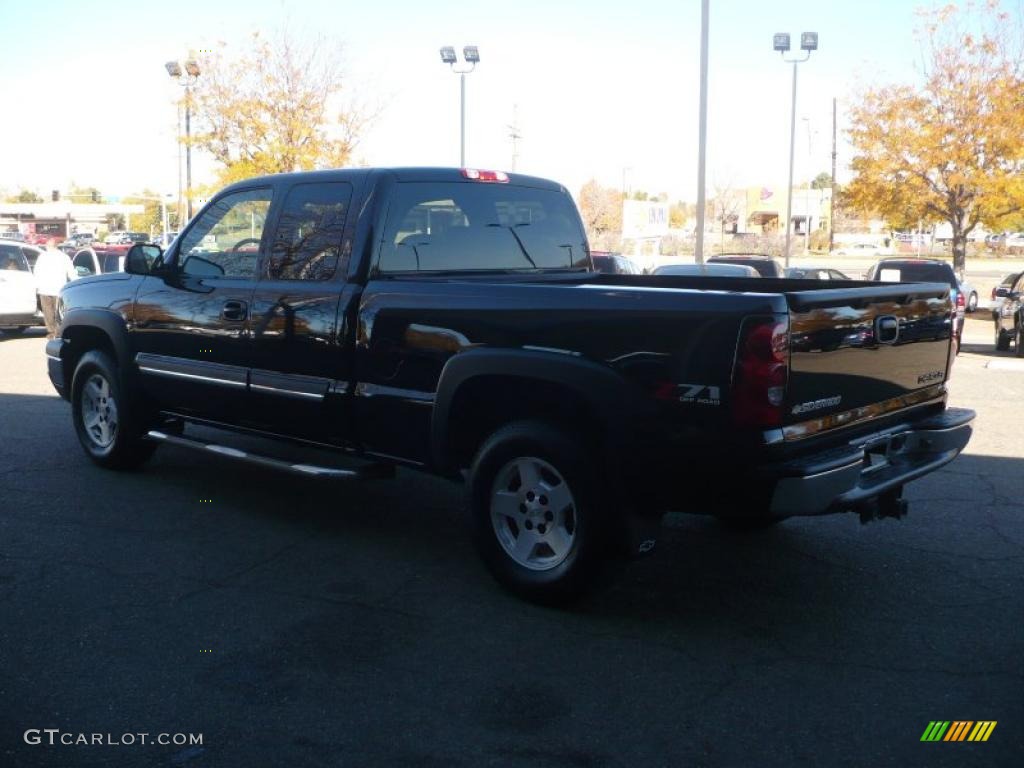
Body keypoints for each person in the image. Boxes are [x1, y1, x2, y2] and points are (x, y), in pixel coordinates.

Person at [34, 237, 77, 339]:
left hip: (44, 289)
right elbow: (71, 273)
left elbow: (36, 272)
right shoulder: (64, 257)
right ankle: (58, 332)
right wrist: (75, 283)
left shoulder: (42, 256)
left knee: (48, 312)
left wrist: (36, 287)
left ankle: (51, 332)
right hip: (59, 289)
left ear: (48, 246)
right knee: (58, 312)